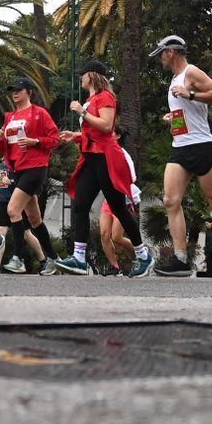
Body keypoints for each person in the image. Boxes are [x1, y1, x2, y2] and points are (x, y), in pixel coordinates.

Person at [148, 36, 212, 278]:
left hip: (201, 146)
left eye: (161, 53)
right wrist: (175, 118)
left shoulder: (191, 72)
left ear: (171, 52)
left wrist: (190, 95)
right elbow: (187, 112)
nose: (160, 57)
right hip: (180, 146)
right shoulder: (174, 79)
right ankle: (181, 259)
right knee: (171, 200)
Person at [56, 60, 153, 277]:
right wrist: (77, 136)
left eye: (83, 73)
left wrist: (82, 112)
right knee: (80, 205)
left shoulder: (105, 97)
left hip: (106, 158)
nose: (80, 77)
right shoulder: (91, 100)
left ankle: (143, 254)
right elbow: (94, 132)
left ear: (92, 76)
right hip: (91, 157)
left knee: (118, 208)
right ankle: (79, 258)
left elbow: (107, 126)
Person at [0, 77, 61, 274]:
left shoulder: (39, 113)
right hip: (17, 170)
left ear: (29, 92)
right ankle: (53, 259)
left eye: (19, 90)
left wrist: (35, 142)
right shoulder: (10, 117)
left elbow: (55, 139)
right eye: (12, 90)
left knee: (13, 210)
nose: (15, 93)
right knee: (34, 219)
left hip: (35, 167)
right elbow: (4, 149)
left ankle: (18, 258)